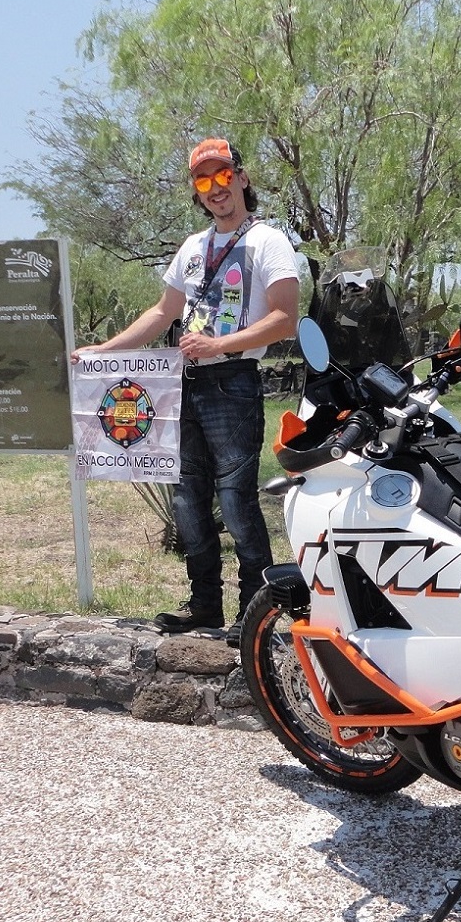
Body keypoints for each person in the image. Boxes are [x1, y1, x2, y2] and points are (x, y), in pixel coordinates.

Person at [75, 138, 300, 644]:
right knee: (186, 497)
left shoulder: (268, 241)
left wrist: (219, 344)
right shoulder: (193, 248)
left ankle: (255, 611)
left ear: (241, 178)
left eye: (223, 176)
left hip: (233, 383)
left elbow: (285, 320)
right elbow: (162, 313)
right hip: (183, 384)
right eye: (204, 181)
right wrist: (105, 350)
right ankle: (203, 604)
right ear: (197, 193)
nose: (216, 188)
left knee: (237, 500)